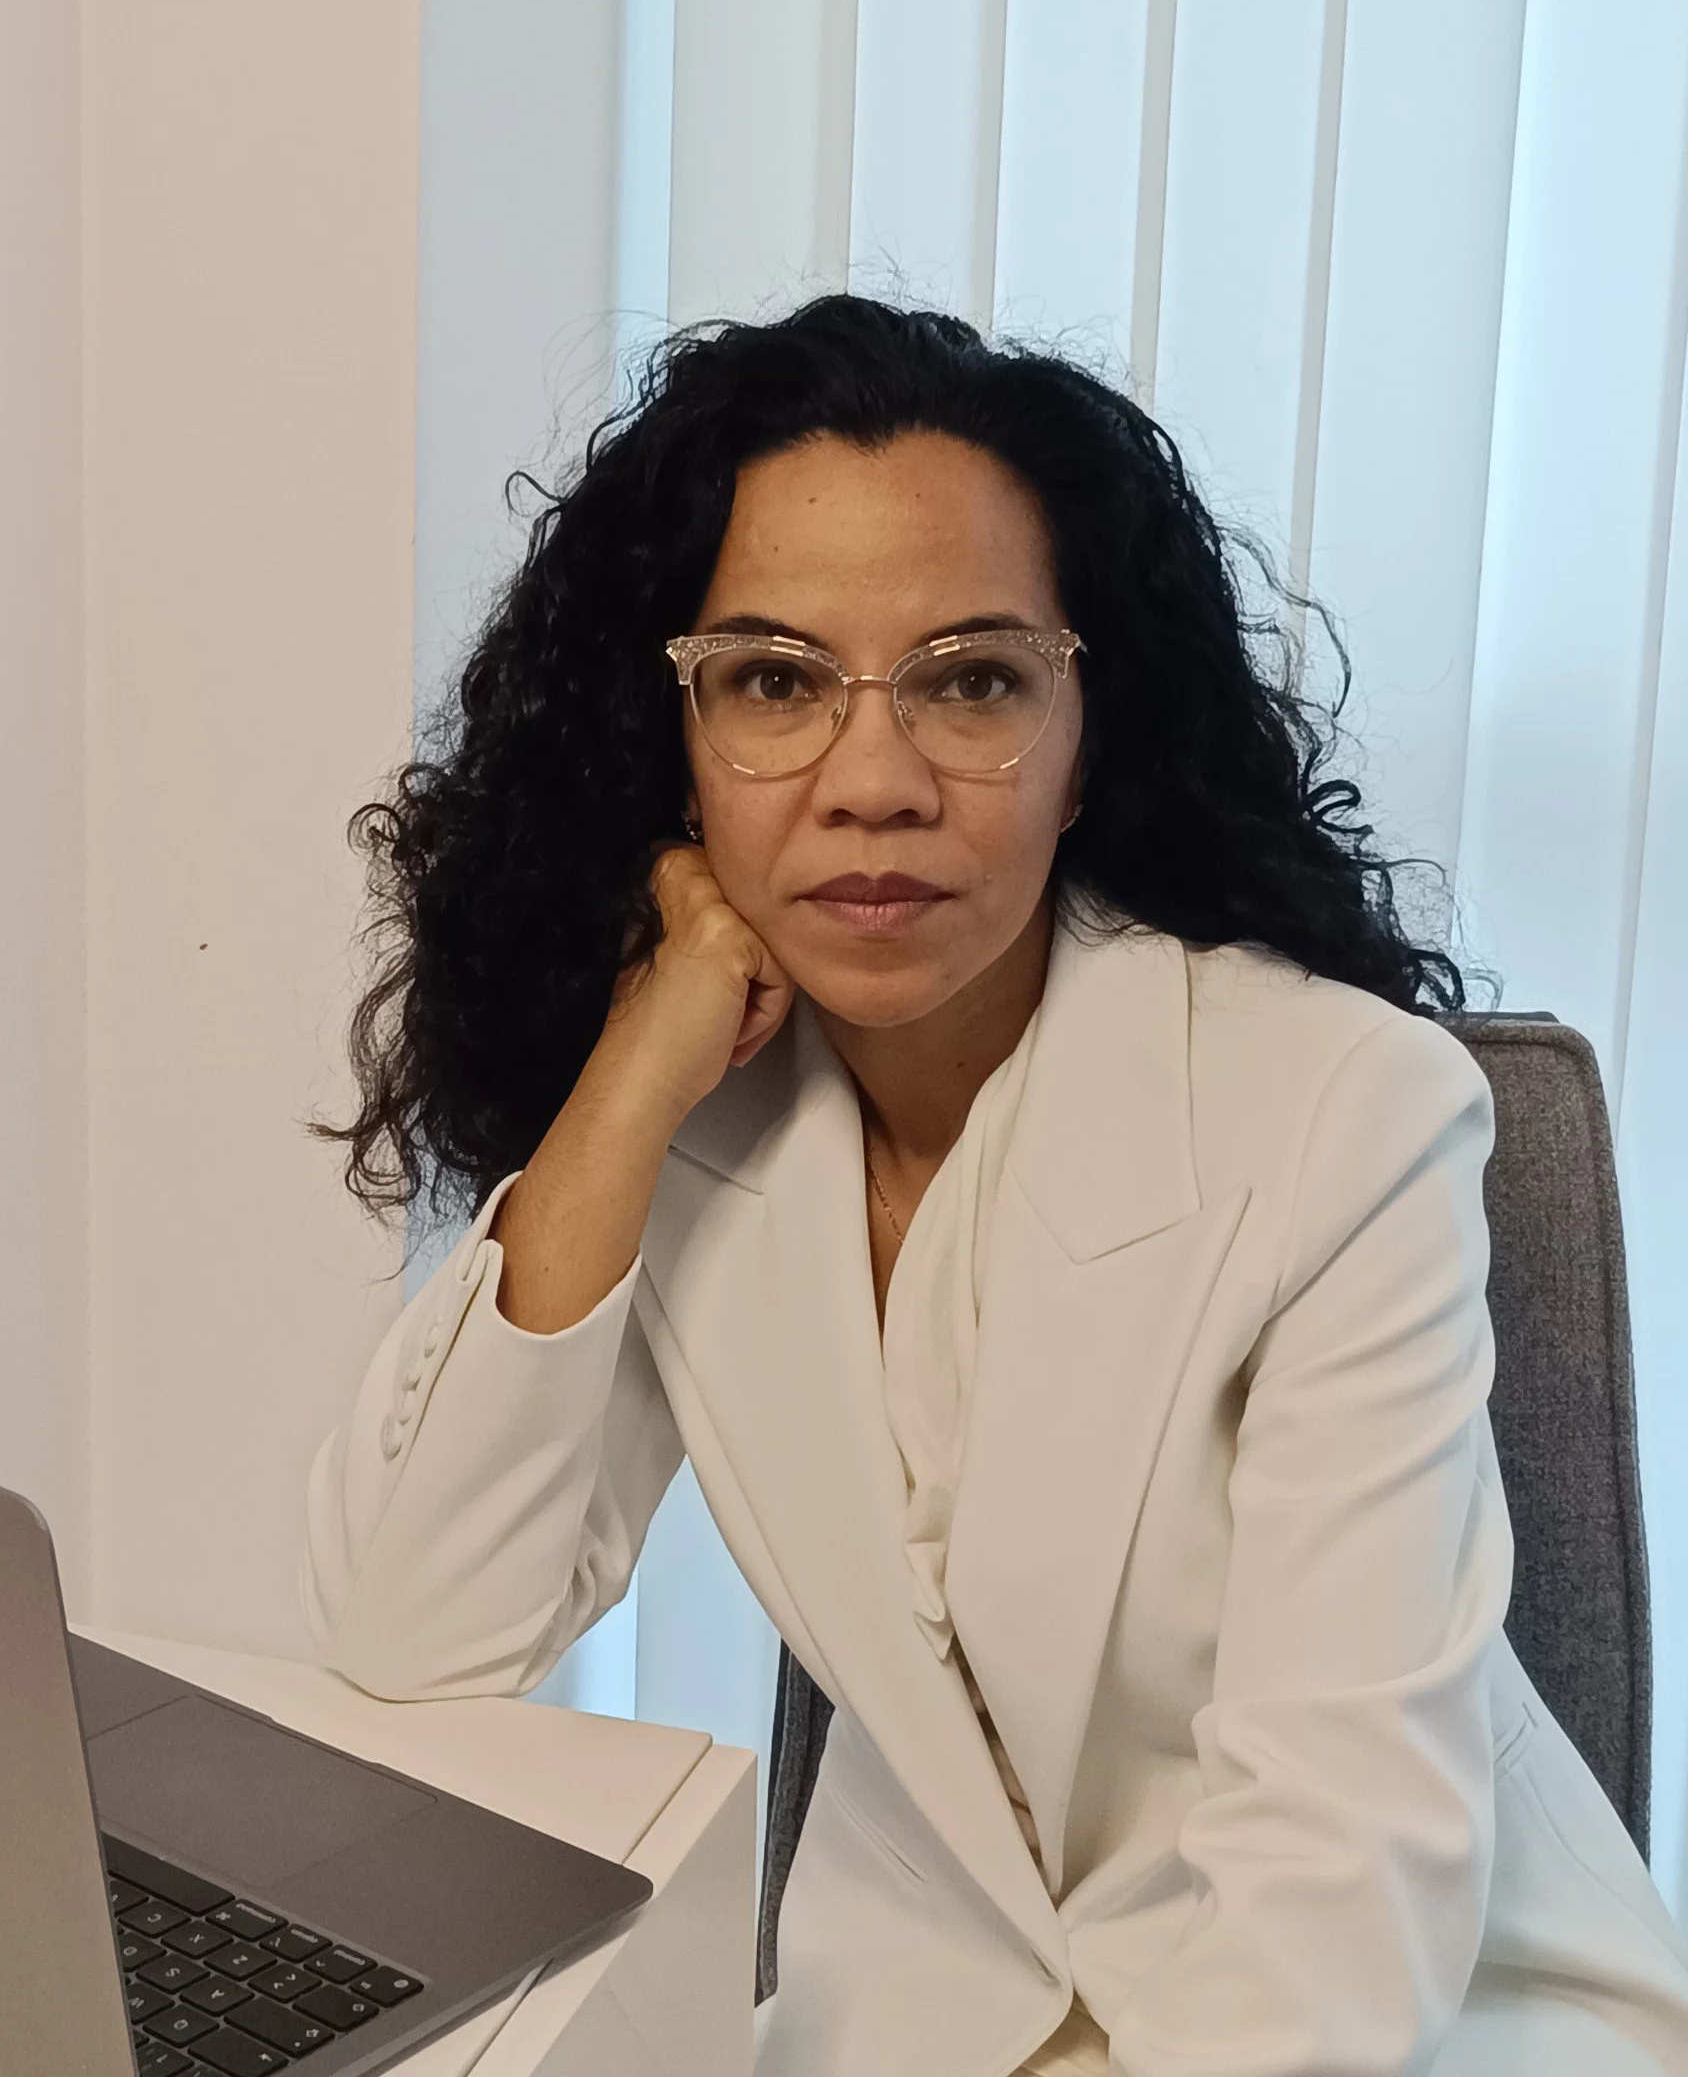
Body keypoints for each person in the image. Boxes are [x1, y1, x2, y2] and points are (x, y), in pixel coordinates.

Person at [302, 297, 1688, 2076]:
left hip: (1416, 2027)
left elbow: (1341, 1897)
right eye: (775, 682)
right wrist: (636, 1072)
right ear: (677, 740)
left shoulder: (1342, 1117)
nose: (873, 782)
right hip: (935, 2026)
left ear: (1087, 725)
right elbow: (412, 1636)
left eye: (970, 679)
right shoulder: (704, 1131)